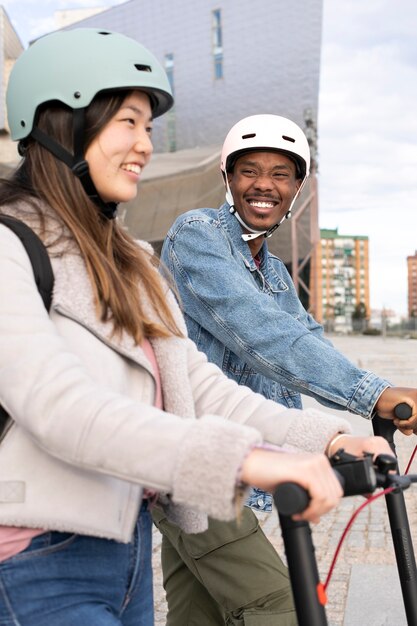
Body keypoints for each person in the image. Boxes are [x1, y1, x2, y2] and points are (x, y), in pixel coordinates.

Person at [0, 28, 384, 626]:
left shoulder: (130, 260)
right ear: (60, 122)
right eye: (128, 122)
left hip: (124, 552)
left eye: (148, 128)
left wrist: (329, 437)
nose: (145, 145)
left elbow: (199, 387)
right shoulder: (9, 247)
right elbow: (61, 408)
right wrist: (246, 460)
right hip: (32, 561)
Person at [159, 113, 417, 625]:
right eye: (250, 170)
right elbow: (264, 337)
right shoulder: (197, 236)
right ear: (228, 179)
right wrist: (375, 394)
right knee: (279, 607)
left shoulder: (273, 271)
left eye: (281, 174)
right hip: (196, 461)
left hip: (233, 463)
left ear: (297, 188)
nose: (265, 185)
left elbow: (307, 344)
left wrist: (376, 402)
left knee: (197, 614)